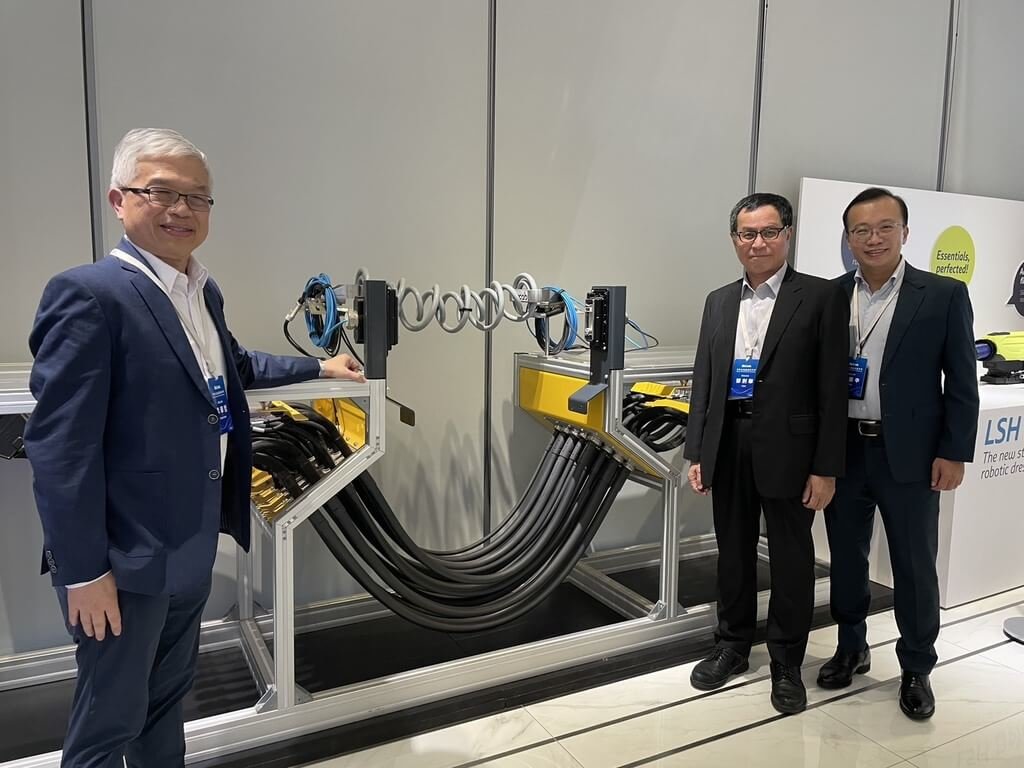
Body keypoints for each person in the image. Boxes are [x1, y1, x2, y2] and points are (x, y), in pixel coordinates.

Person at [24, 128, 364, 767]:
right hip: (123, 559)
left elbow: (233, 365)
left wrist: (319, 366)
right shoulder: (90, 294)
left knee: (164, 703)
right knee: (109, 719)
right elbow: (60, 450)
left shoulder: (201, 291)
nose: (182, 209)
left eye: (197, 197)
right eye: (161, 192)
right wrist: (84, 573)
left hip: (188, 545)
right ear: (119, 200)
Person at [817, 187, 979, 720]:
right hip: (844, 451)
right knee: (846, 558)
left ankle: (916, 666)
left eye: (885, 227)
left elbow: (962, 381)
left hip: (909, 454)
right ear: (848, 239)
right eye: (861, 230)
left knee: (913, 564)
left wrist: (954, 451)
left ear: (905, 232)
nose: (873, 238)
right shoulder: (830, 296)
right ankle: (851, 646)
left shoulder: (943, 294)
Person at [683, 192, 848, 714]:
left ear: (787, 235)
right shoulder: (718, 301)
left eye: (769, 232)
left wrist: (826, 468)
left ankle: (786, 661)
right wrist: (697, 451)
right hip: (729, 439)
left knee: (791, 559)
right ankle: (731, 645)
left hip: (792, 449)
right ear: (735, 239)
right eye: (747, 233)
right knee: (731, 551)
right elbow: (705, 380)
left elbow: (832, 390)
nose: (758, 243)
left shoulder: (819, 297)